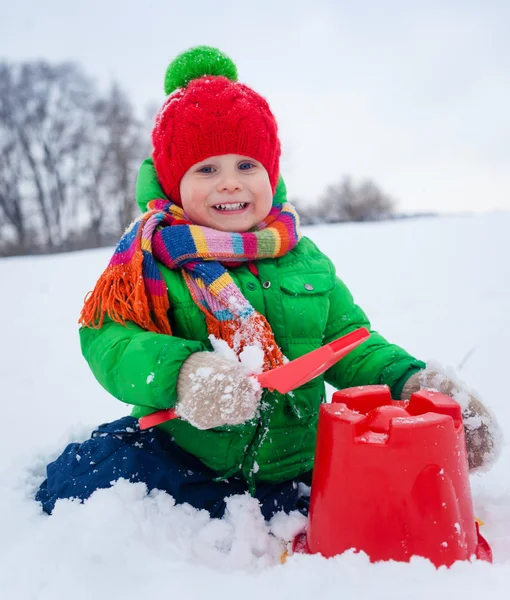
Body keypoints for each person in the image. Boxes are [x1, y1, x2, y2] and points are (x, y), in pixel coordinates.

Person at [36, 46, 502, 520]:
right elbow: (109, 340)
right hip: (185, 458)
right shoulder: (150, 259)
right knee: (75, 486)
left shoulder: (302, 258)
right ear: (175, 183)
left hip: (297, 464)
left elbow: (350, 345)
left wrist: (414, 385)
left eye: (246, 165)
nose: (230, 183)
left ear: (271, 172)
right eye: (206, 169)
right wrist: (184, 374)